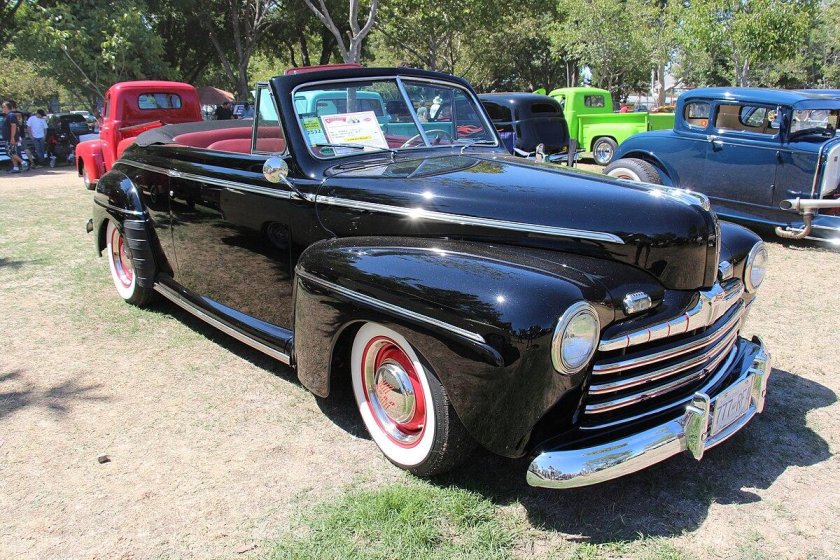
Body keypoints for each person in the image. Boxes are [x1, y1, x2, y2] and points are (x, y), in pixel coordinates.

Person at [2, 100, 25, 173]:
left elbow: (14, 126)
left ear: (7, 107)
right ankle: (16, 168)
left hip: (11, 138)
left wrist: (12, 137)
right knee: (12, 153)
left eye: (3, 107)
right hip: (8, 138)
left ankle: (23, 163)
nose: (2, 108)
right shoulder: (7, 116)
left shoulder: (11, 115)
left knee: (10, 153)